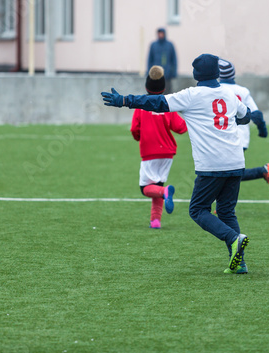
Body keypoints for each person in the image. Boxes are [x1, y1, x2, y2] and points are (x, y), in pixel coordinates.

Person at [102, 54, 251, 274]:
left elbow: (156, 102)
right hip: (236, 160)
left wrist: (125, 101)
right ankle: (239, 263)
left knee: (198, 210)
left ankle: (233, 238)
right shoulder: (229, 94)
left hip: (212, 164)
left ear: (195, 74)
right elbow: (246, 117)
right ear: (217, 73)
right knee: (227, 212)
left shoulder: (192, 95)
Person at [130, 65, 187, 229]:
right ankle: (155, 220)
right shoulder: (167, 105)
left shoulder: (141, 105)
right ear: (163, 88)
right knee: (157, 185)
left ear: (146, 86)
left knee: (145, 188)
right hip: (167, 153)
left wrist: (139, 137)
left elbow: (135, 129)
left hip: (150, 152)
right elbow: (180, 128)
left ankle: (165, 193)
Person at [218, 59, 269, 191]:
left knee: (223, 173)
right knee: (230, 173)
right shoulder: (242, 91)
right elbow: (257, 115)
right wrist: (262, 130)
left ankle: (224, 205)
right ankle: (263, 171)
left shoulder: (217, 90)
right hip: (242, 138)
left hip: (222, 137)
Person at [147, 28, 177, 94]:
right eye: (159, 33)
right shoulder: (153, 45)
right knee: (155, 92)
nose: (160, 35)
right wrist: (148, 72)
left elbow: (174, 60)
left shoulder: (170, 45)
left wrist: (173, 72)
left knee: (168, 92)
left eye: (162, 33)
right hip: (155, 75)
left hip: (167, 74)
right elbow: (150, 60)